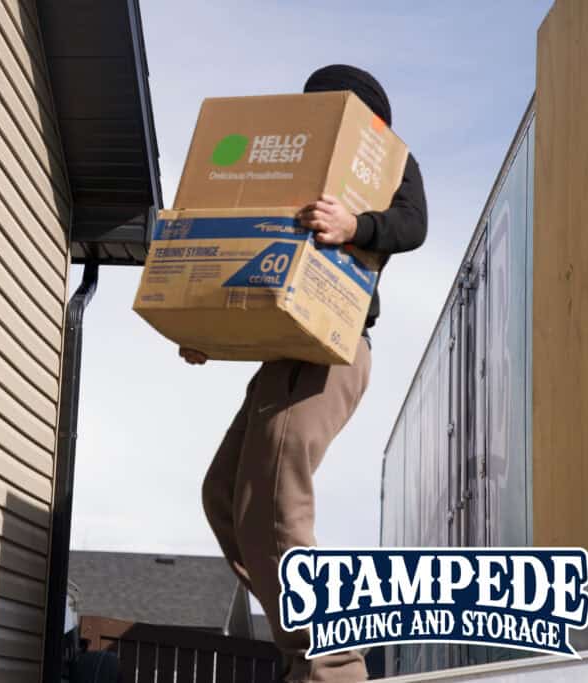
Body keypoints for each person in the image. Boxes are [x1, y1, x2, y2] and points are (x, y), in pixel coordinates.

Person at [184, 65, 428, 682]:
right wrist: (208, 328)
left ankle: (335, 668)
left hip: (334, 351)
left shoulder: (386, 163)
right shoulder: (289, 173)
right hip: (281, 353)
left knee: (274, 493)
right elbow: (243, 249)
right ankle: (307, 653)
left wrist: (356, 226)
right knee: (223, 496)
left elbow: (414, 225)